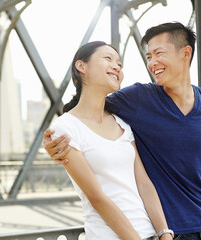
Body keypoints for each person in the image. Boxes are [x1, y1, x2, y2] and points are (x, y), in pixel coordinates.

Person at [44, 22, 201, 240]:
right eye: (148, 56)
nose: (152, 62)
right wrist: (52, 142)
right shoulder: (139, 98)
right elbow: (88, 108)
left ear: (185, 53)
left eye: (158, 53)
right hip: (172, 229)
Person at [49, 41, 172, 240]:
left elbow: (144, 185)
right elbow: (97, 198)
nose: (116, 66)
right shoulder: (65, 128)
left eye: (120, 64)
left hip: (149, 234)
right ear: (82, 66)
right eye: (108, 58)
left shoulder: (123, 125)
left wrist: (164, 234)